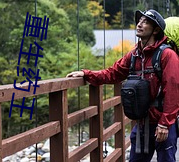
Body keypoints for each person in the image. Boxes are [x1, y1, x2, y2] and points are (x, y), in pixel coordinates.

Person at [66, 9, 179, 162]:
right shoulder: (134, 55)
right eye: (139, 21)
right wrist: (86, 74)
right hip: (142, 123)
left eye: (145, 22)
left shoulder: (167, 55)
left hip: (162, 123)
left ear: (156, 30)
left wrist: (165, 124)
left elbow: (173, 90)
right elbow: (113, 73)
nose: (139, 24)